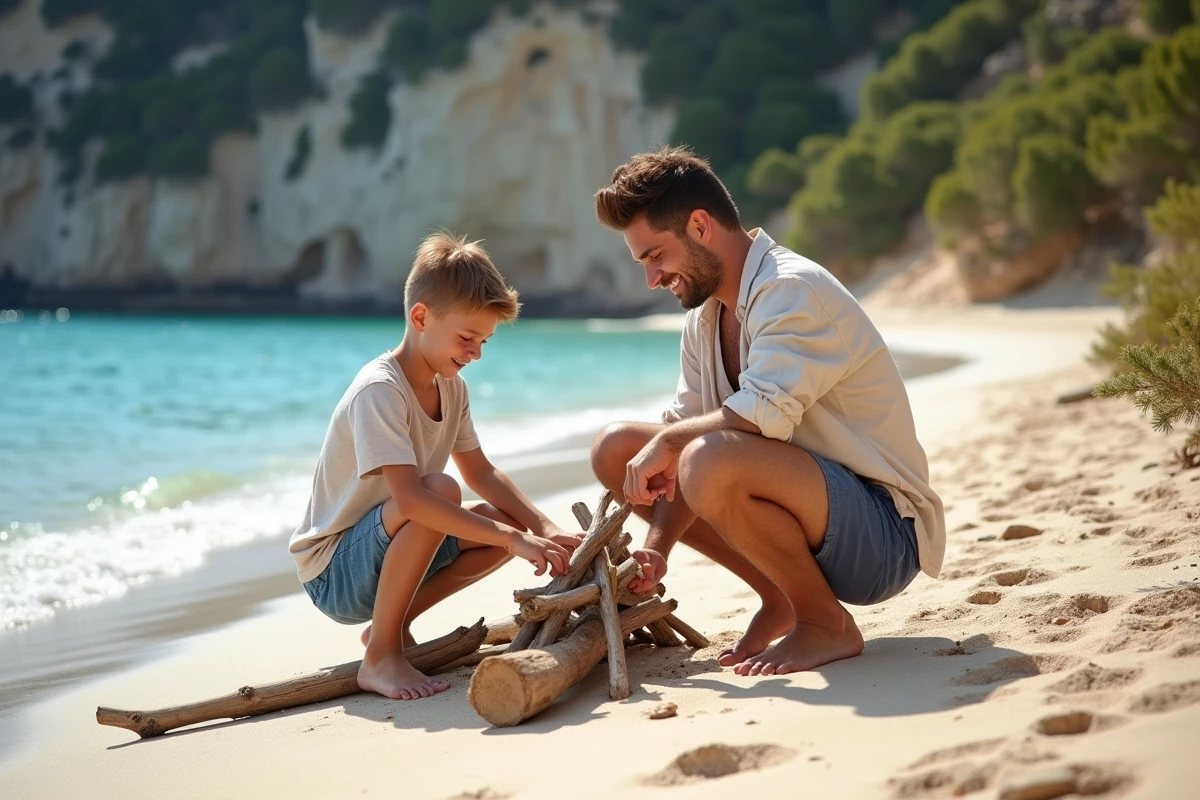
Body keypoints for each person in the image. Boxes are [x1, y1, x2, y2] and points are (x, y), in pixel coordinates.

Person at [590, 147, 945, 676]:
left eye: (655, 256)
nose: (652, 277)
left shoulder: (790, 289)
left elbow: (756, 418)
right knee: (618, 449)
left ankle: (825, 623)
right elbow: (681, 436)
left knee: (703, 456)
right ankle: (782, 596)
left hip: (883, 535)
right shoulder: (705, 318)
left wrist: (669, 444)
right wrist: (657, 547)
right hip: (808, 509)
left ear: (700, 226)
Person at [289, 231, 583, 700]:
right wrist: (514, 538)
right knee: (441, 494)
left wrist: (539, 527)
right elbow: (411, 499)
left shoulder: (452, 388)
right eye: (467, 338)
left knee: (497, 525)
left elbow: (481, 473)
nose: (476, 353)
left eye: (484, 341)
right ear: (421, 317)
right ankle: (381, 655)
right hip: (334, 574)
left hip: (391, 549)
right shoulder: (379, 390)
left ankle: (390, 628)